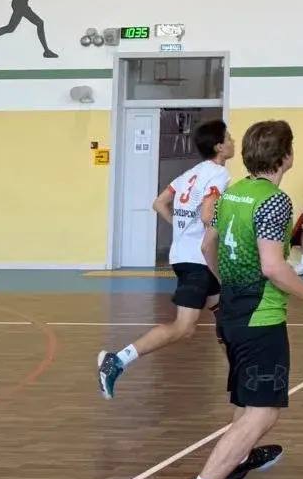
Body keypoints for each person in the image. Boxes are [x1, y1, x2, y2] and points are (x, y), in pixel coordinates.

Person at [177, 120, 303, 479]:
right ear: (286, 156)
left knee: (247, 403)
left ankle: (238, 461)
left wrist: (227, 284)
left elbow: (207, 246)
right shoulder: (274, 200)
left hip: (231, 312)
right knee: (264, 412)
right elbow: (273, 267)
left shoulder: (233, 193)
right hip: (260, 317)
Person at [97, 120, 234, 400]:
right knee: (184, 328)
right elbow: (208, 214)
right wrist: (222, 227)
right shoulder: (219, 174)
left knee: (224, 311)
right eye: (229, 138)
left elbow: (159, 203)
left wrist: (180, 228)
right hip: (197, 260)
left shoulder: (190, 174)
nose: (234, 142)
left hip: (186, 256)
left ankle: (238, 374)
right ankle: (117, 360)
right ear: (219, 146)